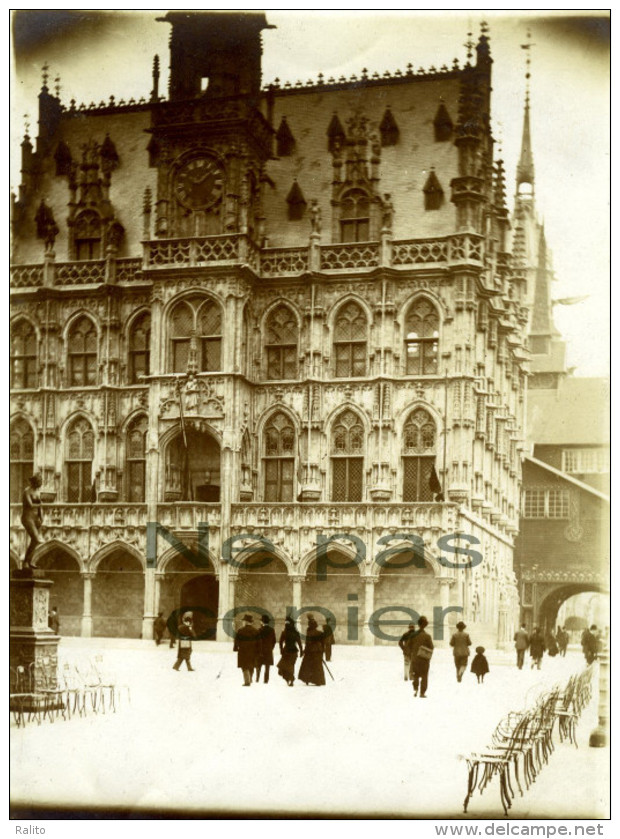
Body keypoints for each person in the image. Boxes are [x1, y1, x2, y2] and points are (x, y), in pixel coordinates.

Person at [405, 615, 434, 698]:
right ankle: (422, 693)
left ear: (418, 624)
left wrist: (412, 653)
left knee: (416, 674)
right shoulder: (427, 636)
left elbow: (408, 646)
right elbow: (431, 647)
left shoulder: (413, 635)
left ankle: (415, 688)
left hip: (415, 658)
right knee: (424, 676)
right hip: (424, 659)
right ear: (425, 625)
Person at [21, 474, 44, 568]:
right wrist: (42, 505)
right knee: (36, 539)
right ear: (35, 482)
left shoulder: (38, 492)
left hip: (35, 519)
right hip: (27, 517)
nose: (41, 483)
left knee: (35, 541)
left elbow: (39, 506)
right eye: (39, 481)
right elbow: (30, 505)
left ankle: (28, 562)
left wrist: (41, 517)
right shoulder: (27, 491)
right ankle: (25, 562)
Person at [298, 615, 325, 686]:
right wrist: (322, 650)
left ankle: (307, 679)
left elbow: (308, 643)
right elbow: (322, 643)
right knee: (317, 666)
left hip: (310, 650)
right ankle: (318, 680)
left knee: (308, 665)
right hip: (318, 650)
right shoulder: (319, 633)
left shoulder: (309, 632)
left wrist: (305, 650)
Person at [277, 616, 303, 686]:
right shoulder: (295, 632)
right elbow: (299, 642)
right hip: (294, 651)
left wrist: (281, 650)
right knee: (291, 666)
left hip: (286, 651)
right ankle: (291, 679)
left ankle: (289, 679)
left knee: (284, 666)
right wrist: (301, 651)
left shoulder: (284, 632)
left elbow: (280, 642)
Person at [234, 614, 259, 686]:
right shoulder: (256, 631)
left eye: (243, 621)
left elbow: (237, 641)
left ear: (246, 622)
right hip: (253, 651)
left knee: (244, 666)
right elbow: (259, 642)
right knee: (251, 664)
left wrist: (235, 648)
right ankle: (250, 677)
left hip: (243, 651)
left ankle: (247, 681)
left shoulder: (240, 631)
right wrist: (259, 651)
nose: (243, 622)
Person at [255, 614, 277, 683]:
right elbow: (274, 641)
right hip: (268, 651)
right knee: (267, 667)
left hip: (260, 650)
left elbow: (257, 641)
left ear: (262, 622)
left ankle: (257, 678)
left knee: (258, 665)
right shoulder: (272, 630)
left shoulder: (259, 630)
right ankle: (266, 680)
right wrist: (271, 648)